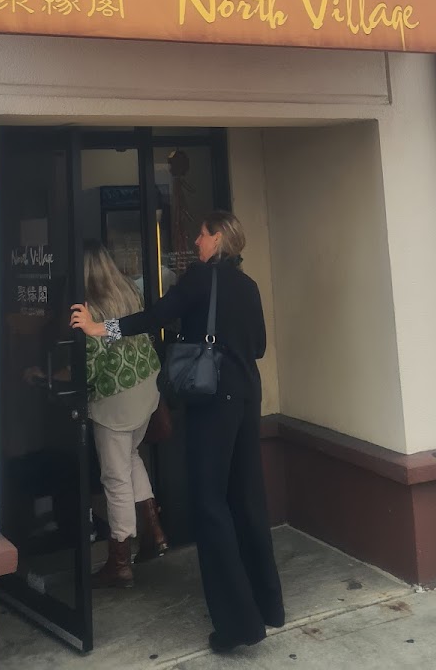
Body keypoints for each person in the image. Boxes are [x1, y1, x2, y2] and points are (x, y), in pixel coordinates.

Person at [71, 211, 285, 654]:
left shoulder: (199, 279)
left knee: (209, 505)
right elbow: (260, 345)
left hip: (214, 402)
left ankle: (237, 624)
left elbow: (155, 317)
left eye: (202, 236)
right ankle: (267, 604)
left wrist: (98, 328)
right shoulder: (248, 285)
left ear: (217, 239)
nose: (197, 242)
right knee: (247, 499)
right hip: (248, 397)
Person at [82, 239, 169, 587]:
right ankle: (154, 532)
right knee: (131, 456)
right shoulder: (129, 291)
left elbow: (91, 365)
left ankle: (119, 560)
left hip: (115, 400)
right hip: (146, 387)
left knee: (115, 478)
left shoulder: (89, 307)